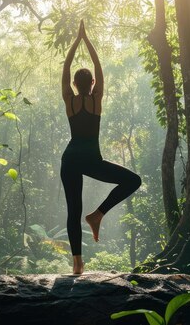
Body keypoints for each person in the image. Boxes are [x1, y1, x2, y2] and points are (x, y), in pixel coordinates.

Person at [60, 20, 141, 275]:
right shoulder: (96, 99)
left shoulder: (69, 100)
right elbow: (98, 67)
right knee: (133, 181)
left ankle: (77, 264)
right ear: (93, 82)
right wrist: (88, 41)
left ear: (74, 84)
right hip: (92, 160)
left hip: (71, 159)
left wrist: (76, 41)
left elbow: (65, 67)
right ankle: (98, 214)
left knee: (74, 210)